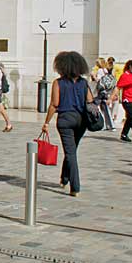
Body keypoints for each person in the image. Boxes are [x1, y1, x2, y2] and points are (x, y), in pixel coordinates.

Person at [39, 50, 93, 197]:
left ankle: (75, 186)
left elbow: (54, 104)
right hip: (81, 120)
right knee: (72, 150)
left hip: (65, 119)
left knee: (70, 153)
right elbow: (90, 101)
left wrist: (46, 122)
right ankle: (64, 177)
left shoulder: (58, 83)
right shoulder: (83, 82)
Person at [92, 58, 116, 131]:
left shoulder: (99, 71)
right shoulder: (106, 70)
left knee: (96, 106)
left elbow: (99, 81)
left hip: (100, 92)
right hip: (107, 91)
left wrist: (93, 76)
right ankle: (110, 125)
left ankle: (102, 124)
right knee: (105, 108)